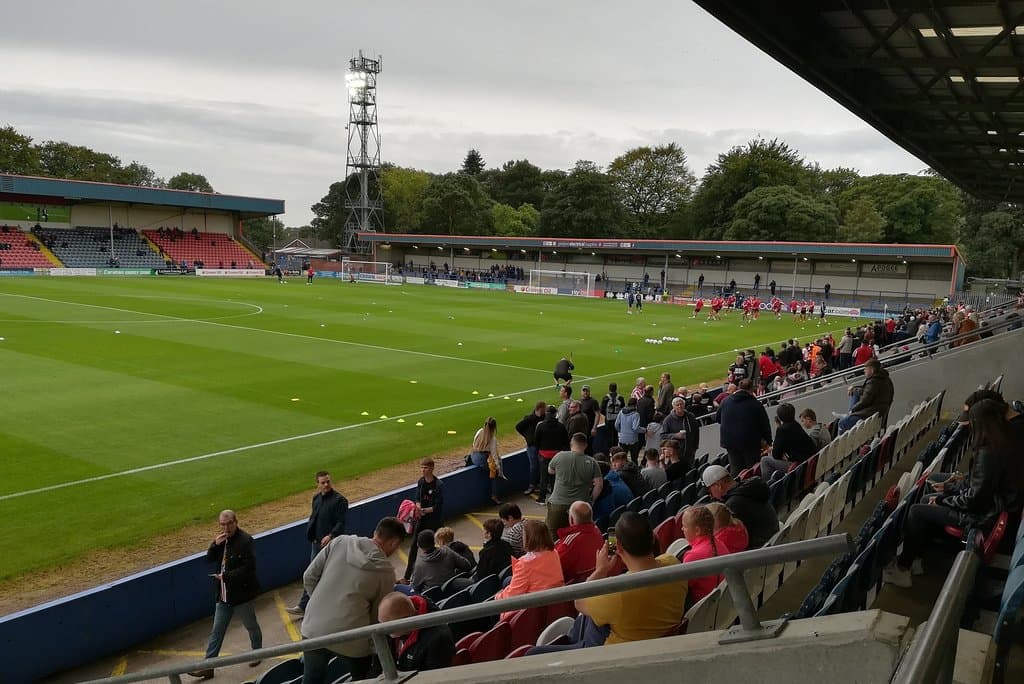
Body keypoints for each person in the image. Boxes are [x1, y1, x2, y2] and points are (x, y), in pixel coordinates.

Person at [884, 397, 1023, 588]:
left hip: (984, 516)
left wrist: (942, 500)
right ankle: (915, 559)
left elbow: (974, 498)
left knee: (917, 511)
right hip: (991, 508)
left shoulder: (989, 453)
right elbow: (979, 486)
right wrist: (948, 491)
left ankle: (903, 569)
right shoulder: (1003, 444)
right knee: (926, 500)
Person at [527, 512, 687, 654]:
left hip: (612, 654)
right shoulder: (673, 563)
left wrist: (601, 570)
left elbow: (579, 602)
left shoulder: (618, 594)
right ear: (652, 538)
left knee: (531, 653)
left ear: (618, 547)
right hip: (655, 643)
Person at [300, 517, 405, 683]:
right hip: (352, 640)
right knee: (362, 678)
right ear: (394, 542)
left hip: (313, 629)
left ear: (375, 532)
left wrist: (321, 604)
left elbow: (309, 577)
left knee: (312, 679)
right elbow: (378, 617)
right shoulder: (386, 573)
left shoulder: (339, 541)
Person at [188, 510, 262, 680]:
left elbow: (249, 568)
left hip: (241, 595)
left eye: (229, 524)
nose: (226, 528)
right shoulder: (221, 540)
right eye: (222, 524)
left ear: (236, 522)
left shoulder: (245, 540)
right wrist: (214, 544)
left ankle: (258, 652)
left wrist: (226, 576)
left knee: (251, 625)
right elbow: (209, 559)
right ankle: (208, 667)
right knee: (217, 632)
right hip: (223, 595)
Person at [288, 471, 349, 615]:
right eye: (323, 482)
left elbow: (341, 522)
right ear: (318, 484)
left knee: (331, 576)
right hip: (316, 544)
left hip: (332, 546)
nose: (326, 484)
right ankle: (304, 606)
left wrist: (331, 536)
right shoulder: (316, 498)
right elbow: (314, 517)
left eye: (328, 481)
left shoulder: (340, 500)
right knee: (312, 574)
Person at [493, 520, 565, 620]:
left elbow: (512, 595)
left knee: (494, 603)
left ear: (529, 538)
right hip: (551, 601)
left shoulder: (525, 564)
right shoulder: (554, 553)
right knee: (508, 580)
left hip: (533, 609)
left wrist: (498, 597)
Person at [374, 592, 455, 673]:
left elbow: (436, 676)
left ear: (405, 621)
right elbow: (377, 668)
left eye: (388, 625)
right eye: (381, 623)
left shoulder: (438, 639)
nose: (383, 629)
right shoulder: (389, 626)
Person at [702, 465, 779, 548]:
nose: (711, 496)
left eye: (709, 491)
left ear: (718, 486)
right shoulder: (751, 489)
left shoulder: (733, 504)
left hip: (760, 548)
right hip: (774, 537)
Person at [547, 433, 604, 537]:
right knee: (579, 537)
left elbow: (550, 470)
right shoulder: (592, 462)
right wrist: (591, 500)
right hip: (581, 508)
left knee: (554, 537)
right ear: (585, 446)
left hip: (558, 506)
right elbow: (599, 485)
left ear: (571, 443)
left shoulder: (560, 456)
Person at [716, 379, 773, 476]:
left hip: (731, 442)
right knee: (753, 469)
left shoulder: (725, 401)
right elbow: (765, 425)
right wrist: (768, 441)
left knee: (736, 470)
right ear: (751, 389)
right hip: (750, 442)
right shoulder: (755, 404)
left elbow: (718, 418)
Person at [401, 459, 444, 582]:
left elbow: (437, 506)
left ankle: (438, 571)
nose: (423, 470)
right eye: (422, 467)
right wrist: (418, 506)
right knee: (414, 545)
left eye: (425, 468)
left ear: (432, 468)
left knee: (438, 545)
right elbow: (417, 498)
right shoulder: (421, 482)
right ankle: (407, 576)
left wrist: (423, 510)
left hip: (434, 520)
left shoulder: (438, 485)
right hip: (422, 519)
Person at [759, 403, 819, 482]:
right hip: (809, 462)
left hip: (799, 466)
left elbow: (776, 455)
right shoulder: (796, 425)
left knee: (765, 460)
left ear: (780, 417)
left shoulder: (782, 430)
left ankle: (767, 486)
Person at [679, 506, 723, 603]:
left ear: (697, 530)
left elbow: (681, 588)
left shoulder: (693, 556)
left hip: (704, 607)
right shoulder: (720, 544)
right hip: (721, 603)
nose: (682, 529)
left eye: (685, 526)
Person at [837, 359, 894, 434]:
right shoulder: (884, 379)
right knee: (854, 392)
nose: (864, 371)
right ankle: (849, 415)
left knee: (842, 423)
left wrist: (853, 410)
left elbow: (865, 401)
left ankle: (849, 415)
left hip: (871, 415)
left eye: (866, 369)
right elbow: (867, 391)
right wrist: (854, 389)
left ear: (872, 370)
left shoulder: (874, 381)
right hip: (878, 415)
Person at [407, 529, 473, 592]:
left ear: (418, 545)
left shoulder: (419, 564)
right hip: (454, 590)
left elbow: (415, 586)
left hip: (435, 597)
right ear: (434, 541)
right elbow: (466, 565)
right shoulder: (447, 551)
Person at [555, 501, 605, 583]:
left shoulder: (569, 543)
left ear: (571, 519)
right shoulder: (597, 531)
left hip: (572, 584)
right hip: (590, 578)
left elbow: (554, 566)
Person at [534, 406, 570, 504]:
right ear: (555, 415)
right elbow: (566, 441)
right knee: (555, 478)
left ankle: (542, 498)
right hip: (557, 455)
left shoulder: (541, 426)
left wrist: (539, 452)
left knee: (543, 478)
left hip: (544, 455)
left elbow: (536, 441)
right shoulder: (561, 426)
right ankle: (555, 498)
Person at [516, 401, 547, 496]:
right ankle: (532, 485)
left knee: (542, 466)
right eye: (544, 408)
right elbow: (518, 427)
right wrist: (528, 437)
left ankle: (542, 484)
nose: (545, 410)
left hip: (542, 445)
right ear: (540, 408)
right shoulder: (529, 418)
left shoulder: (544, 417)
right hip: (533, 446)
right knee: (534, 466)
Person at [470, 417, 503, 504]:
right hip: (482, 459)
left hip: (474, 456)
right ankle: (494, 495)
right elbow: (495, 455)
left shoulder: (479, 431)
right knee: (494, 473)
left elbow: (473, 443)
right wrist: (498, 469)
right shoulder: (492, 438)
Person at [660, 396, 700, 467]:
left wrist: (695, 446)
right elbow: (663, 435)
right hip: (676, 454)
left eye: (681, 404)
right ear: (673, 407)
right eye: (677, 405)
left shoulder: (690, 416)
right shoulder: (668, 420)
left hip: (690, 452)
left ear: (684, 405)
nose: (680, 406)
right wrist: (675, 435)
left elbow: (696, 432)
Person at [614, 397, 643, 463]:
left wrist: (621, 431)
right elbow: (635, 428)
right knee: (634, 459)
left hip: (622, 439)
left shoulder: (621, 412)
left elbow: (616, 424)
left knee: (622, 459)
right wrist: (644, 430)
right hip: (633, 440)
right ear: (635, 405)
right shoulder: (636, 414)